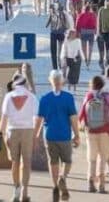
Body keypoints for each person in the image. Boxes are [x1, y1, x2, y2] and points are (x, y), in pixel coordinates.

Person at [35, 70, 80, 202]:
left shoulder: (44, 98)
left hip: (49, 134)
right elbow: (73, 118)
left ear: (50, 81)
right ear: (62, 81)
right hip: (64, 134)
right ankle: (63, 177)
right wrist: (76, 134)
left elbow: (39, 119)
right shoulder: (68, 97)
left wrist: (36, 135)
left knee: (53, 161)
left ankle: (55, 186)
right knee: (67, 161)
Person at [78, 76, 109, 194]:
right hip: (105, 131)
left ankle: (90, 183)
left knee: (91, 159)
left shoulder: (88, 96)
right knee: (103, 158)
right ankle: (101, 185)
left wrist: (78, 128)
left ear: (91, 85)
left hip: (91, 131)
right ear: (102, 85)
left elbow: (81, 113)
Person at [0, 74, 38, 202]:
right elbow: (37, 117)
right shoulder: (32, 97)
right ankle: (24, 192)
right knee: (26, 162)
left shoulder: (8, 97)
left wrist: (1, 134)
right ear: (25, 83)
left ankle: (16, 191)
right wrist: (36, 135)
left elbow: (4, 119)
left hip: (12, 130)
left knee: (15, 162)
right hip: (28, 130)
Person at [75, 3, 97, 69]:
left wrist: (77, 31)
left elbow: (77, 23)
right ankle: (89, 59)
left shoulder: (81, 15)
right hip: (91, 32)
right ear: (89, 9)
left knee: (83, 47)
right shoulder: (93, 15)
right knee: (90, 48)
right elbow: (95, 22)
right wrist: (95, 30)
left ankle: (85, 58)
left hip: (83, 32)